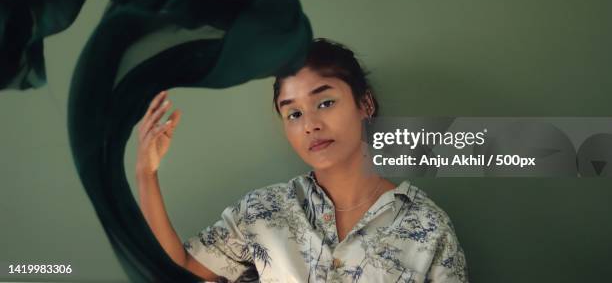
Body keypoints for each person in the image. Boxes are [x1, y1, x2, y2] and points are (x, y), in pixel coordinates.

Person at [135, 38, 469, 283]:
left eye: (324, 102)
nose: (310, 124)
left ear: (365, 104)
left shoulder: (428, 229)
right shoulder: (261, 213)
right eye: (293, 113)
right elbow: (177, 272)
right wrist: (147, 175)